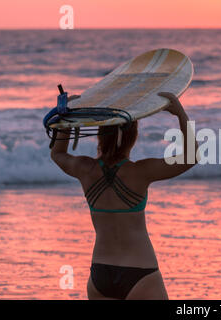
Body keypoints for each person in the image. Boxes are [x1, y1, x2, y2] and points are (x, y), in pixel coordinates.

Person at [50, 92, 198, 300]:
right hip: (140, 272)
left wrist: (67, 119)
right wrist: (181, 115)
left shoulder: (85, 170)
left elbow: (57, 154)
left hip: (100, 274)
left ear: (100, 135)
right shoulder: (140, 172)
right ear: (133, 137)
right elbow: (190, 157)